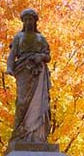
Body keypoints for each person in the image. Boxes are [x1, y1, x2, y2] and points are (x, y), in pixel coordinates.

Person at [6, 8, 51, 142]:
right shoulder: (18, 37)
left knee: (39, 102)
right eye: (25, 19)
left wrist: (41, 56)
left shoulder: (41, 38)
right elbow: (12, 54)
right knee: (22, 102)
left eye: (30, 19)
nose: (28, 22)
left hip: (39, 71)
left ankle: (37, 136)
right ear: (23, 22)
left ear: (35, 21)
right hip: (23, 70)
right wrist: (9, 67)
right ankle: (19, 133)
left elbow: (48, 56)